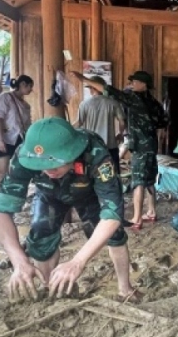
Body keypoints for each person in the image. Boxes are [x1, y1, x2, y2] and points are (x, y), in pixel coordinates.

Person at [0, 117, 142, 302]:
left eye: (55, 164)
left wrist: (77, 262)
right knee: (41, 234)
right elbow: (0, 212)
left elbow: (112, 213)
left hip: (90, 192)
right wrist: (19, 261)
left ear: (73, 152)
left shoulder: (96, 153)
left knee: (115, 235)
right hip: (49, 194)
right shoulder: (25, 156)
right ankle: (51, 288)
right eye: (42, 166)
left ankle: (125, 289)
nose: (49, 170)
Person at [71, 70, 167, 231]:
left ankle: (136, 219)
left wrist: (84, 78)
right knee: (149, 179)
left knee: (138, 182)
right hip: (151, 145)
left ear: (143, 85)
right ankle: (151, 211)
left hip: (140, 147)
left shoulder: (134, 99)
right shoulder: (154, 102)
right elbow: (164, 121)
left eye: (135, 82)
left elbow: (108, 89)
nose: (132, 84)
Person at [74, 75, 126, 175]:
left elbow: (79, 123)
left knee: (91, 174)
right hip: (110, 145)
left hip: (91, 146)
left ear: (93, 88)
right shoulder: (113, 103)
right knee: (113, 174)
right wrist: (120, 133)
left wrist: (69, 130)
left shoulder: (84, 104)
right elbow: (122, 122)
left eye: (90, 88)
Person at [0, 74, 33, 193]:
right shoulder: (5, 98)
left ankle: (9, 194)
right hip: (4, 138)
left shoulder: (26, 105)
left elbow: (27, 125)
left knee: (14, 170)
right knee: (2, 171)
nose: (31, 89)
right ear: (22, 85)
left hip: (18, 139)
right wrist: (0, 140)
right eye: (30, 86)